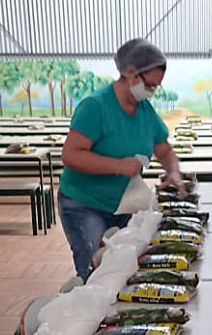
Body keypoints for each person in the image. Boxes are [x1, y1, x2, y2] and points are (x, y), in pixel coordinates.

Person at [58, 38, 184, 280]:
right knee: (98, 273)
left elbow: (164, 150)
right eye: (149, 85)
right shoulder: (96, 107)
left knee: (125, 268)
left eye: (155, 88)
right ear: (130, 73)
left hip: (125, 205)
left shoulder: (145, 111)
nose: (151, 92)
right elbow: (71, 155)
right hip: (85, 206)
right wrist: (118, 166)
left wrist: (174, 172)